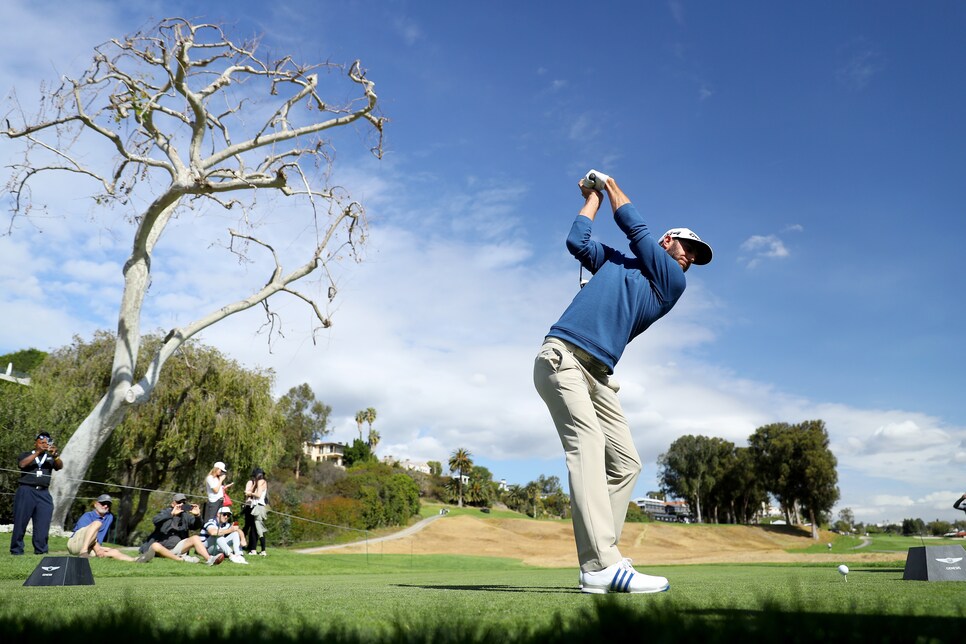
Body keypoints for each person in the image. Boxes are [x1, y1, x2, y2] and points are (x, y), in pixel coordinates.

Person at [533, 170, 712, 594]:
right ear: (669, 242)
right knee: (589, 445)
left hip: (596, 377)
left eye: (696, 256)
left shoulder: (671, 283)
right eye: (689, 248)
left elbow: (635, 225)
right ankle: (600, 565)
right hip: (562, 359)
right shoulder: (616, 262)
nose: (690, 258)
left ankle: (603, 555)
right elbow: (578, 242)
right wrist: (592, 197)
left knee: (627, 462)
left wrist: (608, 183)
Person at [10, 431, 63, 555]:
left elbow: (59, 466)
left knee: (43, 524)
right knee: (20, 522)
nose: (44, 445)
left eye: (47, 443)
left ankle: (41, 551)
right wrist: (38, 452)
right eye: (41, 442)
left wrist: (56, 456)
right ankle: (16, 551)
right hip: (26, 491)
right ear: (35, 443)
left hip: (43, 493)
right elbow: (22, 464)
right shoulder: (27, 454)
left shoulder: (49, 457)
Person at [138, 493, 224, 566]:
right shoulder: (166, 512)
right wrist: (171, 514)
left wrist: (197, 516)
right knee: (155, 546)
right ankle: (181, 559)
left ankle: (209, 559)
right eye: (179, 502)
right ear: (173, 504)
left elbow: (196, 526)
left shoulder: (185, 516)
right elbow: (155, 520)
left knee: (195, 538)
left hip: (177, 548)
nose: (181, 504)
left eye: (183, 502)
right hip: (162, 549)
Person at [67, 494, 152, 562]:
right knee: (97, 523)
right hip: (75, 544)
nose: (105, 506)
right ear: (96, 504)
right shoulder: (87, 516)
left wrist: (99, 549)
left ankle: (136, 560)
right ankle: (83, 552)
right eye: (103, 503)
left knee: (114, 551)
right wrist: (97, 550)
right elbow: (86, 535)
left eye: (108, 504)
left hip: (91, 546)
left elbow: (95, 539)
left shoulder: (109, 517)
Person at [243, 467, 269, 556]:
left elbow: (258, 495)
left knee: (258, 529)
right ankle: (254, 549)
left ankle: (262, 550)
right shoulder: (260, 482)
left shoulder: (260, 482)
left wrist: (250, 494)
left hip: (258, 507)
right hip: (256, 507)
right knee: (255, 529)